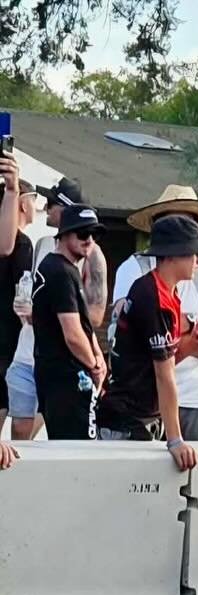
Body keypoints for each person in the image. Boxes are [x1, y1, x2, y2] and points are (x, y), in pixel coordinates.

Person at [110, 185, 198, 441]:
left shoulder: (197, 280)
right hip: (141, 403)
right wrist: (188, 332)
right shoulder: (144, 282)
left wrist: (182, 337)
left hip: (190, 397)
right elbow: (157, 363)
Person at [95, 216, 198, 469]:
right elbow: (163, 374)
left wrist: (193, 342)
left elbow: (164, 358)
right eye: (193, 254)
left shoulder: (169, 292)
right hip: (126, 419)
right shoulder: (152, 296)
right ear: (173, 255)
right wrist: (176, 440)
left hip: (142, 416)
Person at [30, 205, 107, 439]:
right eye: (83, 233)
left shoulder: (61, 268)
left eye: (94, 234)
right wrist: (94, 366)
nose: (89, 240)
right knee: (79, 449)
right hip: (66, 378)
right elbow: (72, 334)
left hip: (60, 376)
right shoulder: (61, 272)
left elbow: (83, 324)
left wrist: (98, 356)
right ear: (64, 234)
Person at [38, 177, 107, 330]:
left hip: (66, 341)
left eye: (51, 203)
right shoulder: (43, 243)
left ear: (66, 209)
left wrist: (48, 315)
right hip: (32, 341)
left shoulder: (92, 253)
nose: (45, 208)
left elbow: (96, 316)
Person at [0, 158, 35, 437]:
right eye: (34, 199)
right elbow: (21, 298)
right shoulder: (22, 244)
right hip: (5, 342)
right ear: (22, 204)